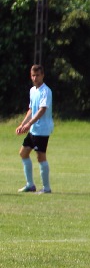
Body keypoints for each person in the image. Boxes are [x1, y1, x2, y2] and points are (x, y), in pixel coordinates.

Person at [15, 65, 54, 194]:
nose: (35, 78)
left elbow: (42, 110)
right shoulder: (33, 90)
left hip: (42, 129)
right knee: (23, 153)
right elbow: (32, 109)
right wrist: (23, 124)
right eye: (33, 75)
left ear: (42, 75)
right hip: (33, 129)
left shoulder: (46, 91)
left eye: (37, 75)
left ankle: (46, 188)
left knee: (40, 157)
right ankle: (30, 185)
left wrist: (29, 124)